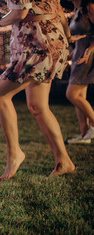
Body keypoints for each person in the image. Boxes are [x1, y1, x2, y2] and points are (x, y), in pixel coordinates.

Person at [0, 0, 85, 180]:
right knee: (38, 106)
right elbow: (58, 10)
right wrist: (66, 37)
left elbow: (19, 13)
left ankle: (15, 154)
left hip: (36, 45)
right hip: (52, 41)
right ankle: (64, 161)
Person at [66, 0, 94, 144]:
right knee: (80, 95)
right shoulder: (77, 9)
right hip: (78, 54)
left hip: (88, 55)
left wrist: (90, 49)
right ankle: (85, 134)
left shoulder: (90, 7)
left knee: (71, 94)